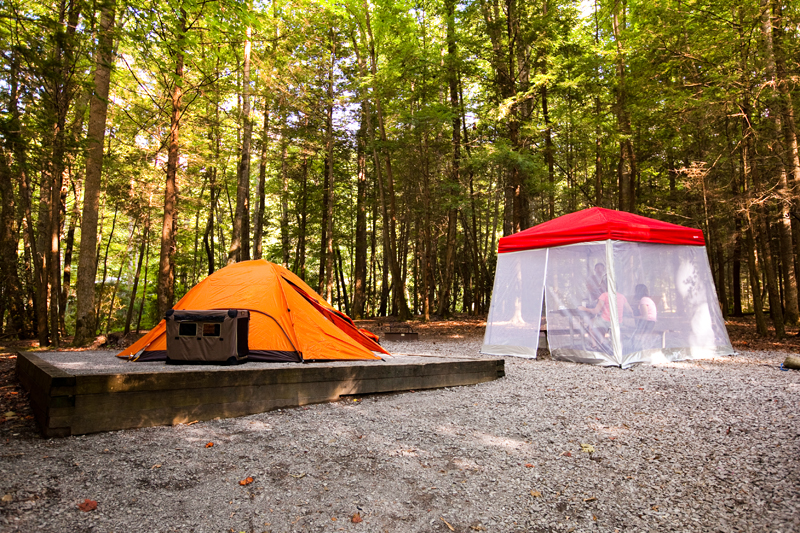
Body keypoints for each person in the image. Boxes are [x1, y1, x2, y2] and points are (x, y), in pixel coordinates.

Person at [578, 277, 633, 352]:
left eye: (602, 285)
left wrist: (584, 309)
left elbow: (596, 311)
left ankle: (594, 345)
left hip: (606, 321)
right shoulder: (622, 296)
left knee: (591, 324)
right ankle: (604, 341)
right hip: (618, 323)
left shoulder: (604, 295)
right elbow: (630, 311)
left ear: (605, 286)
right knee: (599, 324)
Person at [630, 284, 657, 350]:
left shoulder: (643, 300)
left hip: (647, 323)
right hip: (651, 322)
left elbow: (645, 316)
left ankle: (637, 351)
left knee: (635, 337)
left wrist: (634, 317)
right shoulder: (648, 299)